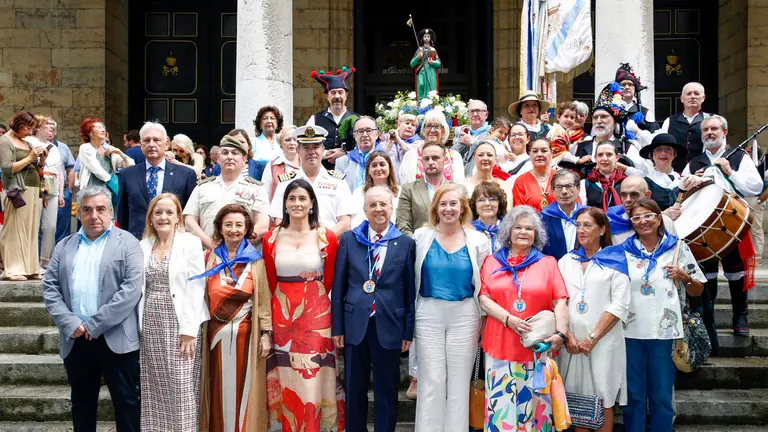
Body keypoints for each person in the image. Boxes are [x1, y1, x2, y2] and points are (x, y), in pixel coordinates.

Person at [42, 186, 143, 432]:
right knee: (82, 403)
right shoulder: (64, 245)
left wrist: (95, 324)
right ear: (79, 214)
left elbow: (130, 291)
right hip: (76, 338)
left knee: (126, 402)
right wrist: (71, 323)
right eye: (87, 210)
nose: (94, 215)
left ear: (111, 211)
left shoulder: (127, 242)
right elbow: (50, 288)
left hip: (116, 338)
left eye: (100, 209)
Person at [262, 179, 345, 431]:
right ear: (285, 205)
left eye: (302, 199)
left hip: (316, 318)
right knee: (286, 377)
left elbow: (329, 279)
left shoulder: (326, 237)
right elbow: (269, 279)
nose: (297, 203)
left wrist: (311, 299)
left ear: (311, 204)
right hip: (282, 315)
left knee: (313, 377)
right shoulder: (270, 238)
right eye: (291, 199)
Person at [332, 185, 416, 432]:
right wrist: (338, 326)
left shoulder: (405, 243)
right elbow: (338, 288)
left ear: (391, 208)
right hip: (355, 325)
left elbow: (409, 290)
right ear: (364, 209)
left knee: (387, 390)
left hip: (389, 324)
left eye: (383, 204)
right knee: (355, 389)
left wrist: (407, 331)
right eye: (373, 205)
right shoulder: (349, 240)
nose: (378, 209)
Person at [478, 205, 569, 431]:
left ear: (536, 234)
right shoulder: (492, 261)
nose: (523, 232)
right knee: (501, 408)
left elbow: (560, 300)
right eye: (518, 227)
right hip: (500, 345)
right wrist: (509, 319)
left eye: (529, 228)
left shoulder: (548, 263)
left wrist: (561, 334)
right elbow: (483, 297)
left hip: (535, 348)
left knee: (535, 409)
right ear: (508, 231)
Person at [622, 198, 705, 432]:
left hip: (666, 332)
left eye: (648, 215)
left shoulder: (678, 248)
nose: (643, 221)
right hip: (631, 332)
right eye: (636, 218)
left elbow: (698, 289)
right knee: (634, 396)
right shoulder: (624, 252)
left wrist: (685, 277)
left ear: (659, 218)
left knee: (661, 396)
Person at [413, 183, 491, 432]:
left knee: (458, 385)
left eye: (453, 203)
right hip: (428, 313)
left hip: (465, 315)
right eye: (443, 204)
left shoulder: (479, 240)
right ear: (436, 207)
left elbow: (485, 284)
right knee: (432, 382)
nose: (448, 209)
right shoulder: (420, 237)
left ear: (463, 207)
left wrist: (484, 321)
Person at [680, 115, 763, 341]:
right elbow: (682, 195)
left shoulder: (738, 157)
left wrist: (730, 172)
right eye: (705, 129)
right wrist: (689, 183)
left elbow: (756, 187)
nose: (709, 132)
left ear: (724, 132)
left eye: (714, 128)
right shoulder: (694, 163)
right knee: (707, 274)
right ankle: (710, 319)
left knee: (735, 272)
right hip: (704, 226)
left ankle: (740, 316)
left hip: (732, 223)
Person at [195, 204, 273, 431]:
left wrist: (266, 333)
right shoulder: (207, 258)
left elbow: (264, 299)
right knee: (217, 388)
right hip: (214, 337)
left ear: (247, 228)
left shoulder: (255, 260)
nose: (233, 230)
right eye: (228, 224)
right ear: (219, 227)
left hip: (246, 337)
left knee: (245, 389)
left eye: (239, 225)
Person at [138, 193, 208, 432]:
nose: (163, 217)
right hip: (150, 322)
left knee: (181, 384)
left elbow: (197, 285)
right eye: (158, 213)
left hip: (180, 322)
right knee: (154, 385)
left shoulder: (190, 243)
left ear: (178, 216)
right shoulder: (143, 246)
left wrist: (189, 330)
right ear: (151, 218)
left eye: (169, 212)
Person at [557, 207, 630, 432]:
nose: (581, 230)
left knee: (603, 397)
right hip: (571, 343)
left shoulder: (616, 259)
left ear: (602, 229)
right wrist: (567, 334)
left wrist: (592, 338)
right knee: (577, 397)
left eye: (587, 225)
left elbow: (619, 304)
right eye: (578, 225)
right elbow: (558, 299)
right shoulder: (566, 260)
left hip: (603, 342)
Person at [183, 134, 270, 249]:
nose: (229, 157)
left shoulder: (256, 189)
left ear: (244, 159)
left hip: (243, 256)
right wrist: (210, 244)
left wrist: (238, 246)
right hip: (208, 255)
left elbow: (263, 225)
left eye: (235, 153)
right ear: (218, 159)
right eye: (225, 153)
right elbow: (189, 221)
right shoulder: (202, 188)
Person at [270, 125, 355, 236]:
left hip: (330, 247)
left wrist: (322, 241)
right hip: (295, 246)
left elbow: (345, 223)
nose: (311, 152)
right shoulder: (286, 183)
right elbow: (279, 220)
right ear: (298, 150)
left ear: (323, 150)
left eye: (315, 147)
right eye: (306, 147)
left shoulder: (338, 182)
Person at [117, 122, 198, 239]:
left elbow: (189, 214)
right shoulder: (127, 174)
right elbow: (122, 214)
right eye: (146, 140)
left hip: (174, 242)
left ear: (166, 144)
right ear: (140, 144)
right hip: (138, 241)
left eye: (156, 140)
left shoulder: (185, 175)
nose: (151, 144)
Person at [0, 110, 44, 280]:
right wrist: (30, 157)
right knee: (14, 229)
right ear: (19, 124)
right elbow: (7, 168)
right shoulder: (5, 141)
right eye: (28, 128)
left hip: (33, 188)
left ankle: (31, 267)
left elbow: (35, 167)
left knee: (31, 228)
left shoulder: (26, 142)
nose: (30, 132)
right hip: (17, 189)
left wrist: (41, 159)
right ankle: (13, 269)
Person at [397, 142, 460, 236]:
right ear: (421, 161)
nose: (430, 162)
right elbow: (402, 223)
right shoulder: (408, 190)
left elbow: (465, 222)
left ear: (445, 160)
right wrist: (418, 244)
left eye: (435, 158)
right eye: (426, 158)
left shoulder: (458, 190)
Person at [30, 116, 66, 270]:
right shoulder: (29, 142)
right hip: (36, 186)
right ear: (38, 127)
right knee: (33, 224)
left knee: (50, 226)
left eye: (53, 125)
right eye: (47, 125)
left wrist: (61, 193)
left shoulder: (54, 147)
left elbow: (60, 172)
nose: (51, 127)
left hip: (52, 187)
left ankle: (45, 259)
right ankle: (31, 260)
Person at [308, 67, 358, 169]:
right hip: (322, 173)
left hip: (350, 171)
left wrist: (346, 154)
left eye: (340, 92)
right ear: (327, 95)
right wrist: (326, 154)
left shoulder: (358, 119)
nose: (337, 96)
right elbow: (306, 146)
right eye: (333, 92)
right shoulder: (314, 119)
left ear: (346, 95)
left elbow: (365, 148)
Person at [605, 175, 678, 245]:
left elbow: (677, 251)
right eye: (624, 195)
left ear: (647, 195)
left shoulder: (665, 222)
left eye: (634, 194)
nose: (628, 200)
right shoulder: (611, 223)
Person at [398, 109, 465, 184]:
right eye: (428, 126)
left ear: (443, 130)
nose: (432, 130)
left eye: (437, 126)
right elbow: (405, 186)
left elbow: (459, 186)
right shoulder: (410, 155)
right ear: (424, 129)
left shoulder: (455, 156)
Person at [661, 82, 711, 172]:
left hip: (703, 173)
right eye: (689, 93)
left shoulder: (712, 120)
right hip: (675, 173)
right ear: (682, 98)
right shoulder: (669, 121)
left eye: (696, 93)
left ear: (703, 98)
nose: (693, 96)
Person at [627, 133, 684, 210]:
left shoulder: (682, 180)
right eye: (658, 149)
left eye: (668, 149)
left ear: (675, 154)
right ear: (651, 155)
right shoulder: (644, 184)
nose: (663, 153)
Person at [541, 169, 585, 260]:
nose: (564, 191)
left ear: (578, 189)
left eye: (569, 186)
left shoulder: (588, 216)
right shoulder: (542, 219)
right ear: (552, 191)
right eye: (559, 187)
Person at [351, 150, 400, 227]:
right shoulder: (359, 193)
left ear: (389, 168)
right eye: (374, 165)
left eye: (382, 164)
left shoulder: (401, 192)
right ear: (368, 170)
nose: (378, 168)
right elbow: (355, 220)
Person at [335, 115, 384, 191]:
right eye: (360, 131)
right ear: (354, 135)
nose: (365, 135)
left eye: (369, 130)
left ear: (377, 134)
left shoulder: (388, 159)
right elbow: (338, 190)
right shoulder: (342, 162)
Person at [459, 141, 512, 207]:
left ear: (495, 159)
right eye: (480, 155)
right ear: (474, 159)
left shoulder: (504, 186)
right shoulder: (463, 185)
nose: (485, 158)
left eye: (489, 155)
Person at [512, 138, 556, 212]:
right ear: (529, 154)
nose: (539, 154)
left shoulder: (562, 178)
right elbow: (519, 213)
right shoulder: (521, 181)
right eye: (535, 151)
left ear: (551, 153)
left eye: (544, 151)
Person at [52, 119, 77, 244]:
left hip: (62, 192)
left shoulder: (63, 147)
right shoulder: (35, 146)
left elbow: (70, 169)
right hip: (43, 192)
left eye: (52, 129)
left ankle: (60, 256)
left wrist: (69, 191)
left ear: (55, 131)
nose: (50, 131)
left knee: (62, 228)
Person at [261, 125, 302, 200]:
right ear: (280, 142)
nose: (292, 143)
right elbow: (265, 196)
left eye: (295, 140)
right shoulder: (272, 166)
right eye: (288, 140)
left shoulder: (306, 163)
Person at [615, 63, 659, 132]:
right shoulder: (610, 111)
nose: (626, 87)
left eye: (630, 84)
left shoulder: (646, 113)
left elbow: (653, 136)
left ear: (635, 89)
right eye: (623, 85)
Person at [452, 99, 491, 176]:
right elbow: (451, 156)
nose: (475, 114)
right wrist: (460, 141)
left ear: (486, 115)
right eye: (472, 111)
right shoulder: (463, 132)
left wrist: (473, 142)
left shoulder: (492, 132)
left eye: (478, 111)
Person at [469, 181, 508, 253]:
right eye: (481, 200)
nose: (487, 204)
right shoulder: (468, 231)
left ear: (499, 203)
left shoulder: (508, 229)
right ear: (475, 205)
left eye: (492, 199)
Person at [410, 28, 440, 101]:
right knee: (421, 85)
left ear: (430, 38)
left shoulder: (433, 50)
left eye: (428, 37)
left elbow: (439, 63)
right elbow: (412, 64)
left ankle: (431, 102)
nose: (426, 38)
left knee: (431, 89)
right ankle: (421, 102)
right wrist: (418, 57)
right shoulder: (419, 50)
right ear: (423, 38)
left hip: (430, 72)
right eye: (425, 37)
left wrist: (432, 62)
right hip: (422, 70)